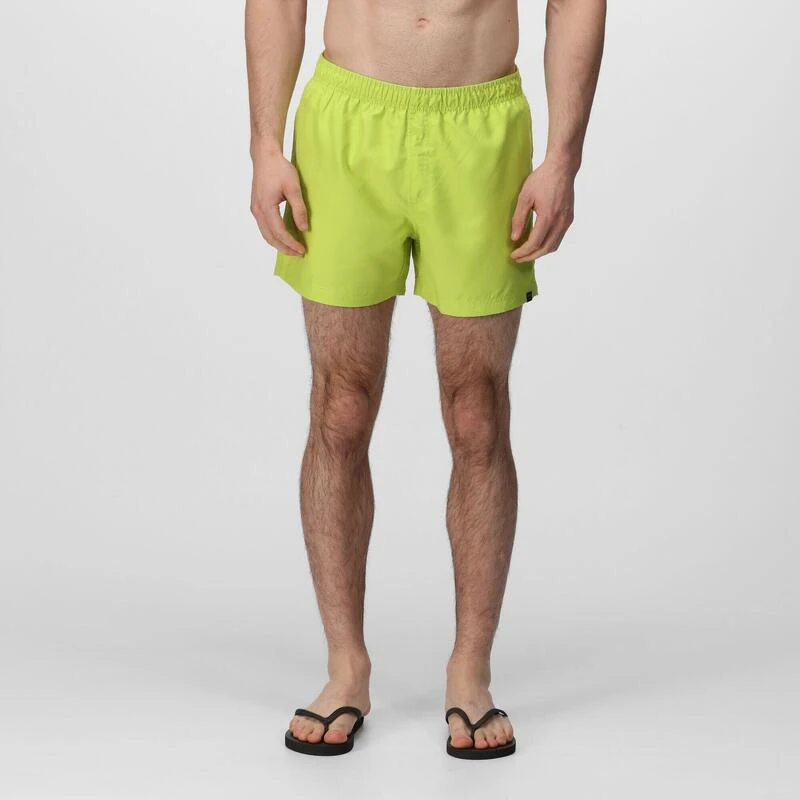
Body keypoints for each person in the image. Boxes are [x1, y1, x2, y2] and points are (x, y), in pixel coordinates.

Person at [245, 0, 605, 759]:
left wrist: (563, 157)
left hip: (480, 131)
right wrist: (265, 145)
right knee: (340, 406)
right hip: (347, 125)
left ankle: (470, 670)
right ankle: (345, 668)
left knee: (478, 413)